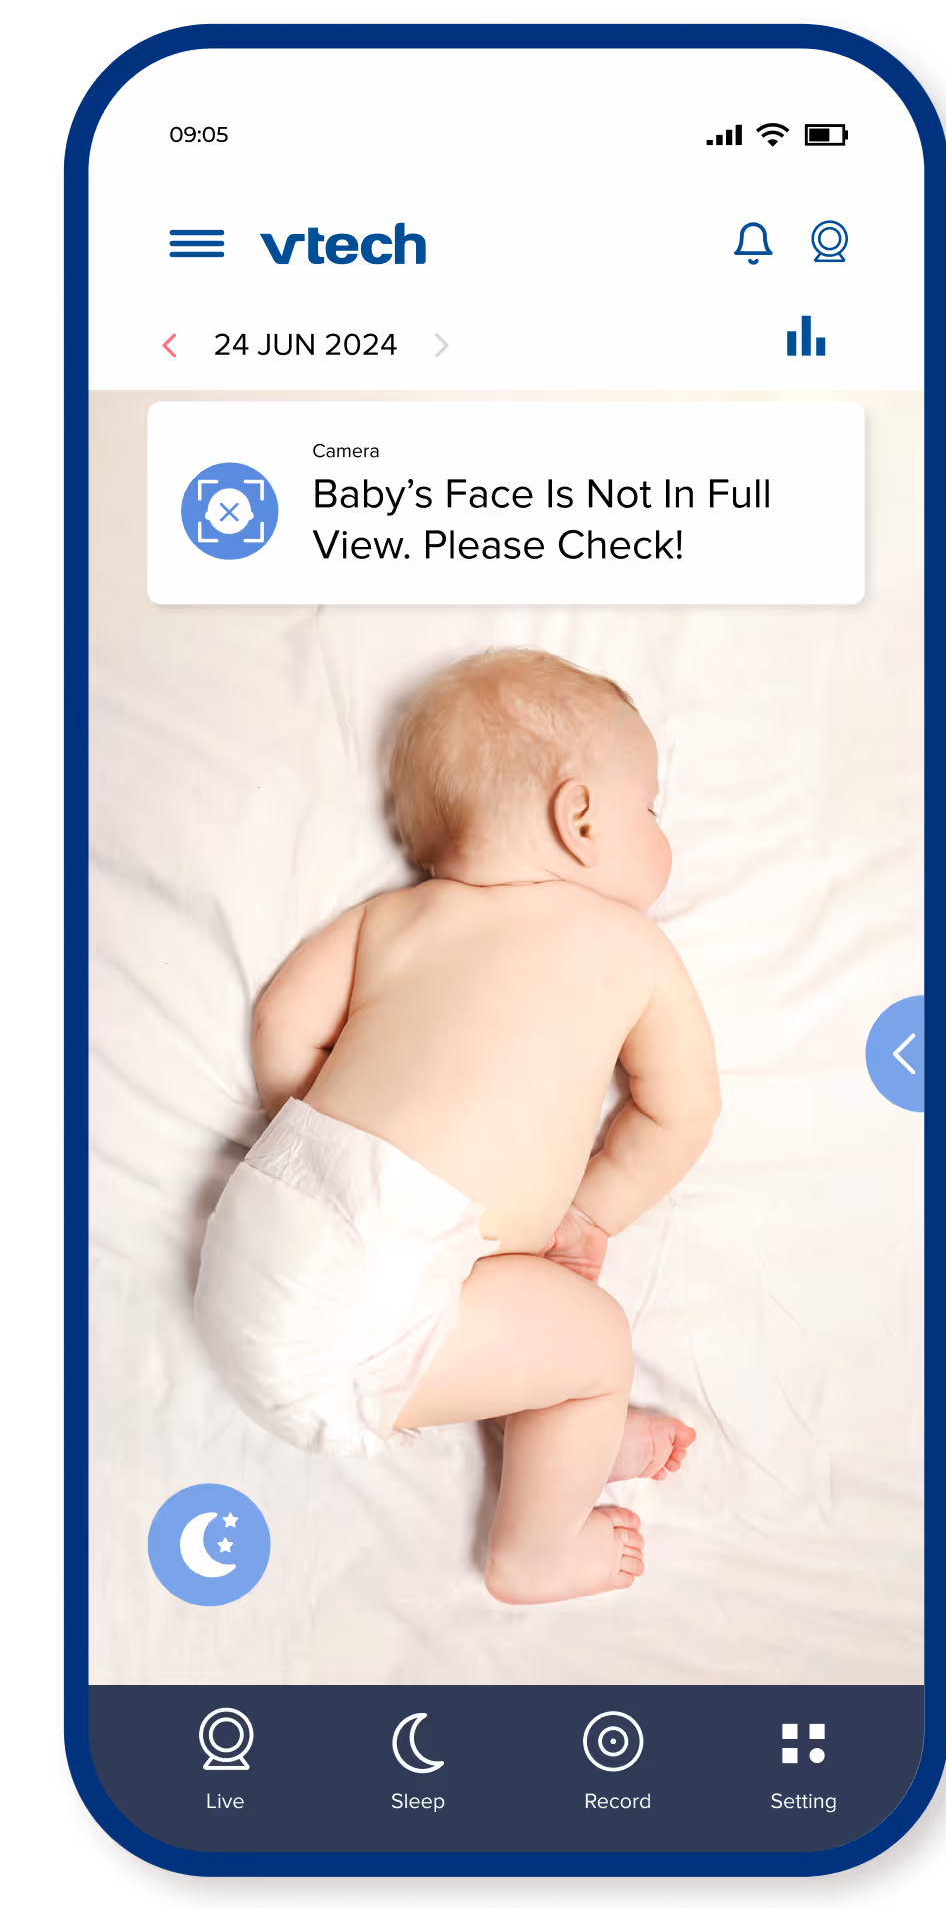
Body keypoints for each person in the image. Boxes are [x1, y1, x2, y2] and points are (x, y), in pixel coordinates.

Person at [196, 649, 720, 1604]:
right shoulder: (632, 949)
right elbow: (680, 1109)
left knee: (498, 1309)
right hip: (358, 1313)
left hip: (266, 1237)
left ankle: (574, 1444)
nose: (657, 826)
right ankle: (534, 1550)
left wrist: (325, 1142)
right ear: (582, 818)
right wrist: (592, 1211)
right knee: (593, 1342)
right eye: (651, 807)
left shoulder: (390, 920)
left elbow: (280, 1025)